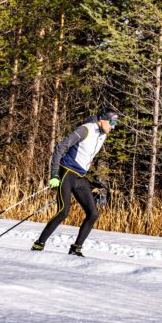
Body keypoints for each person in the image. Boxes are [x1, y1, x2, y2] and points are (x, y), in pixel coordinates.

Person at [32, 109, 118, 256]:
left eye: (115, 123)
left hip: (80, 178)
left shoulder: (103, 134)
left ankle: (76, 248)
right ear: (102, 119)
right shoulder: (85, 130)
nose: (113, 126)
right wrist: (54, 175)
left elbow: (87, 152)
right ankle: (39, 245)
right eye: (111, 122)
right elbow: (60, 147)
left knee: (93, 214)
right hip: (66, 173)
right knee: (63, 212)